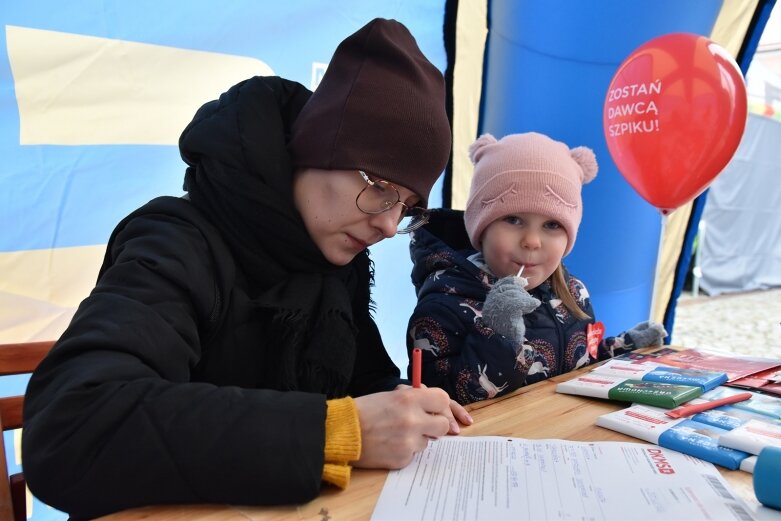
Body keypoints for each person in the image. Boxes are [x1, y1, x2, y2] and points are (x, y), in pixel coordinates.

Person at [22, 18, 471, 519]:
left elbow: (365, 379)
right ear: (318, 146)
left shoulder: (332, 257)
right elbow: (71, 427)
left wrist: (403, 406)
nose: (389, 225)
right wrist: (336, 433)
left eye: (407, 206)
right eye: (381, 187)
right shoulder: (175, 243)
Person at [407, 132, 668, 405]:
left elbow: (582, 363)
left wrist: (623, 349)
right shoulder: (444, 304)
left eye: (551, 225)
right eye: (513, 219)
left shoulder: (572, 292)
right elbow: (442, 401)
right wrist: (498, 335)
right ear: (480, 226)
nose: (531, 241)